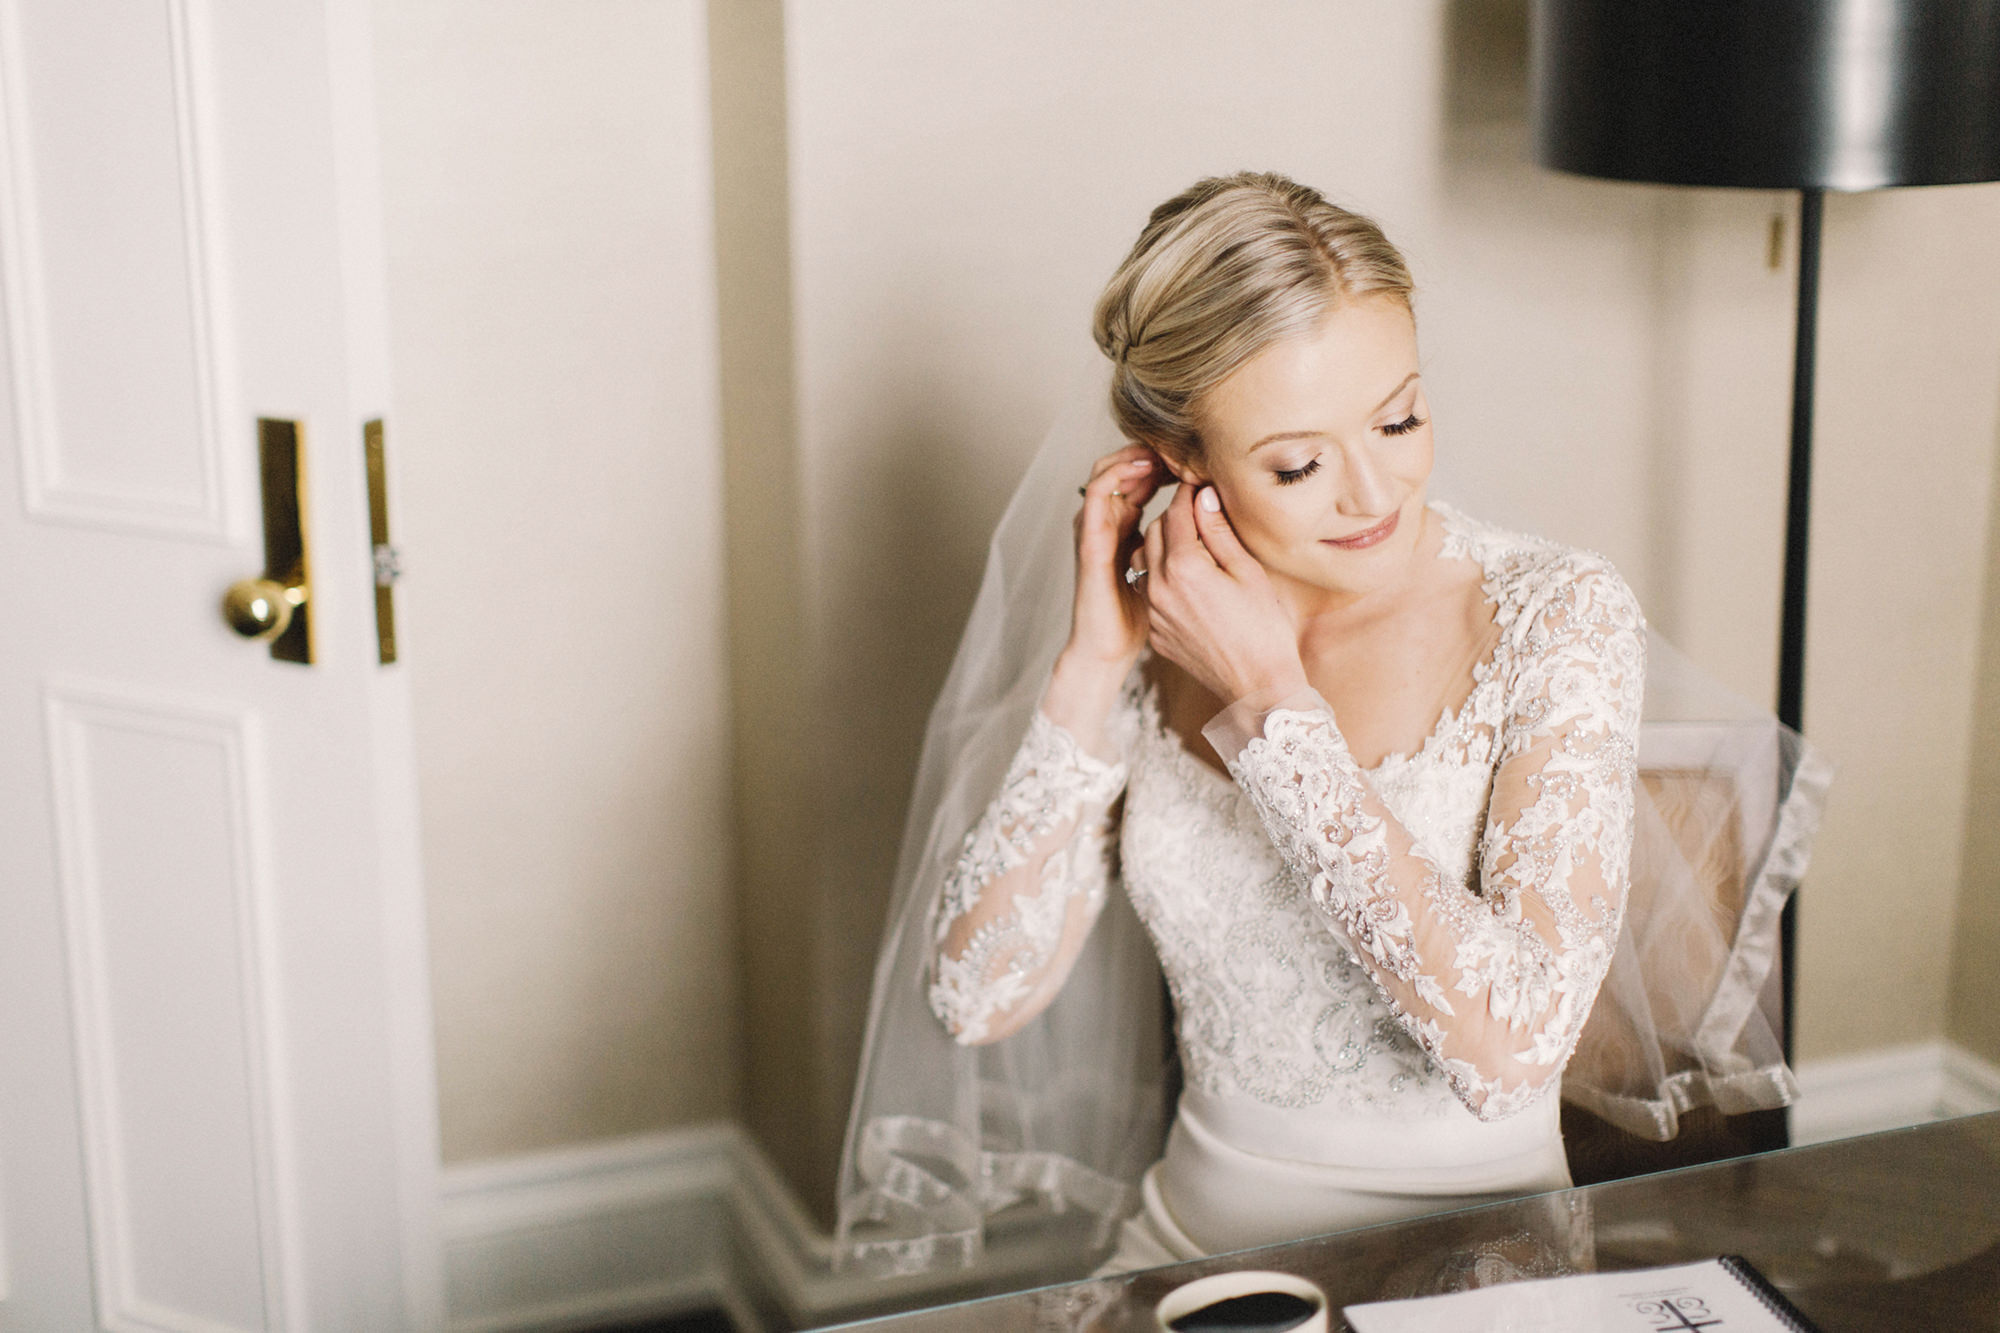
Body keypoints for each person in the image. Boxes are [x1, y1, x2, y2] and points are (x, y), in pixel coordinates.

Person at [835, 172, 1824, 1280]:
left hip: (1475, 1262)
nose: (1374, 491)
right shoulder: (1161, 618)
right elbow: (975, 997)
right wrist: (1092, 662)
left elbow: (1510, 1051)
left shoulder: (1554, 614)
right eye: (1299, 463)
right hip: (1186, 1250)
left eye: (1398, 417)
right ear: (1183, 461)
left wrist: (1269, 709)